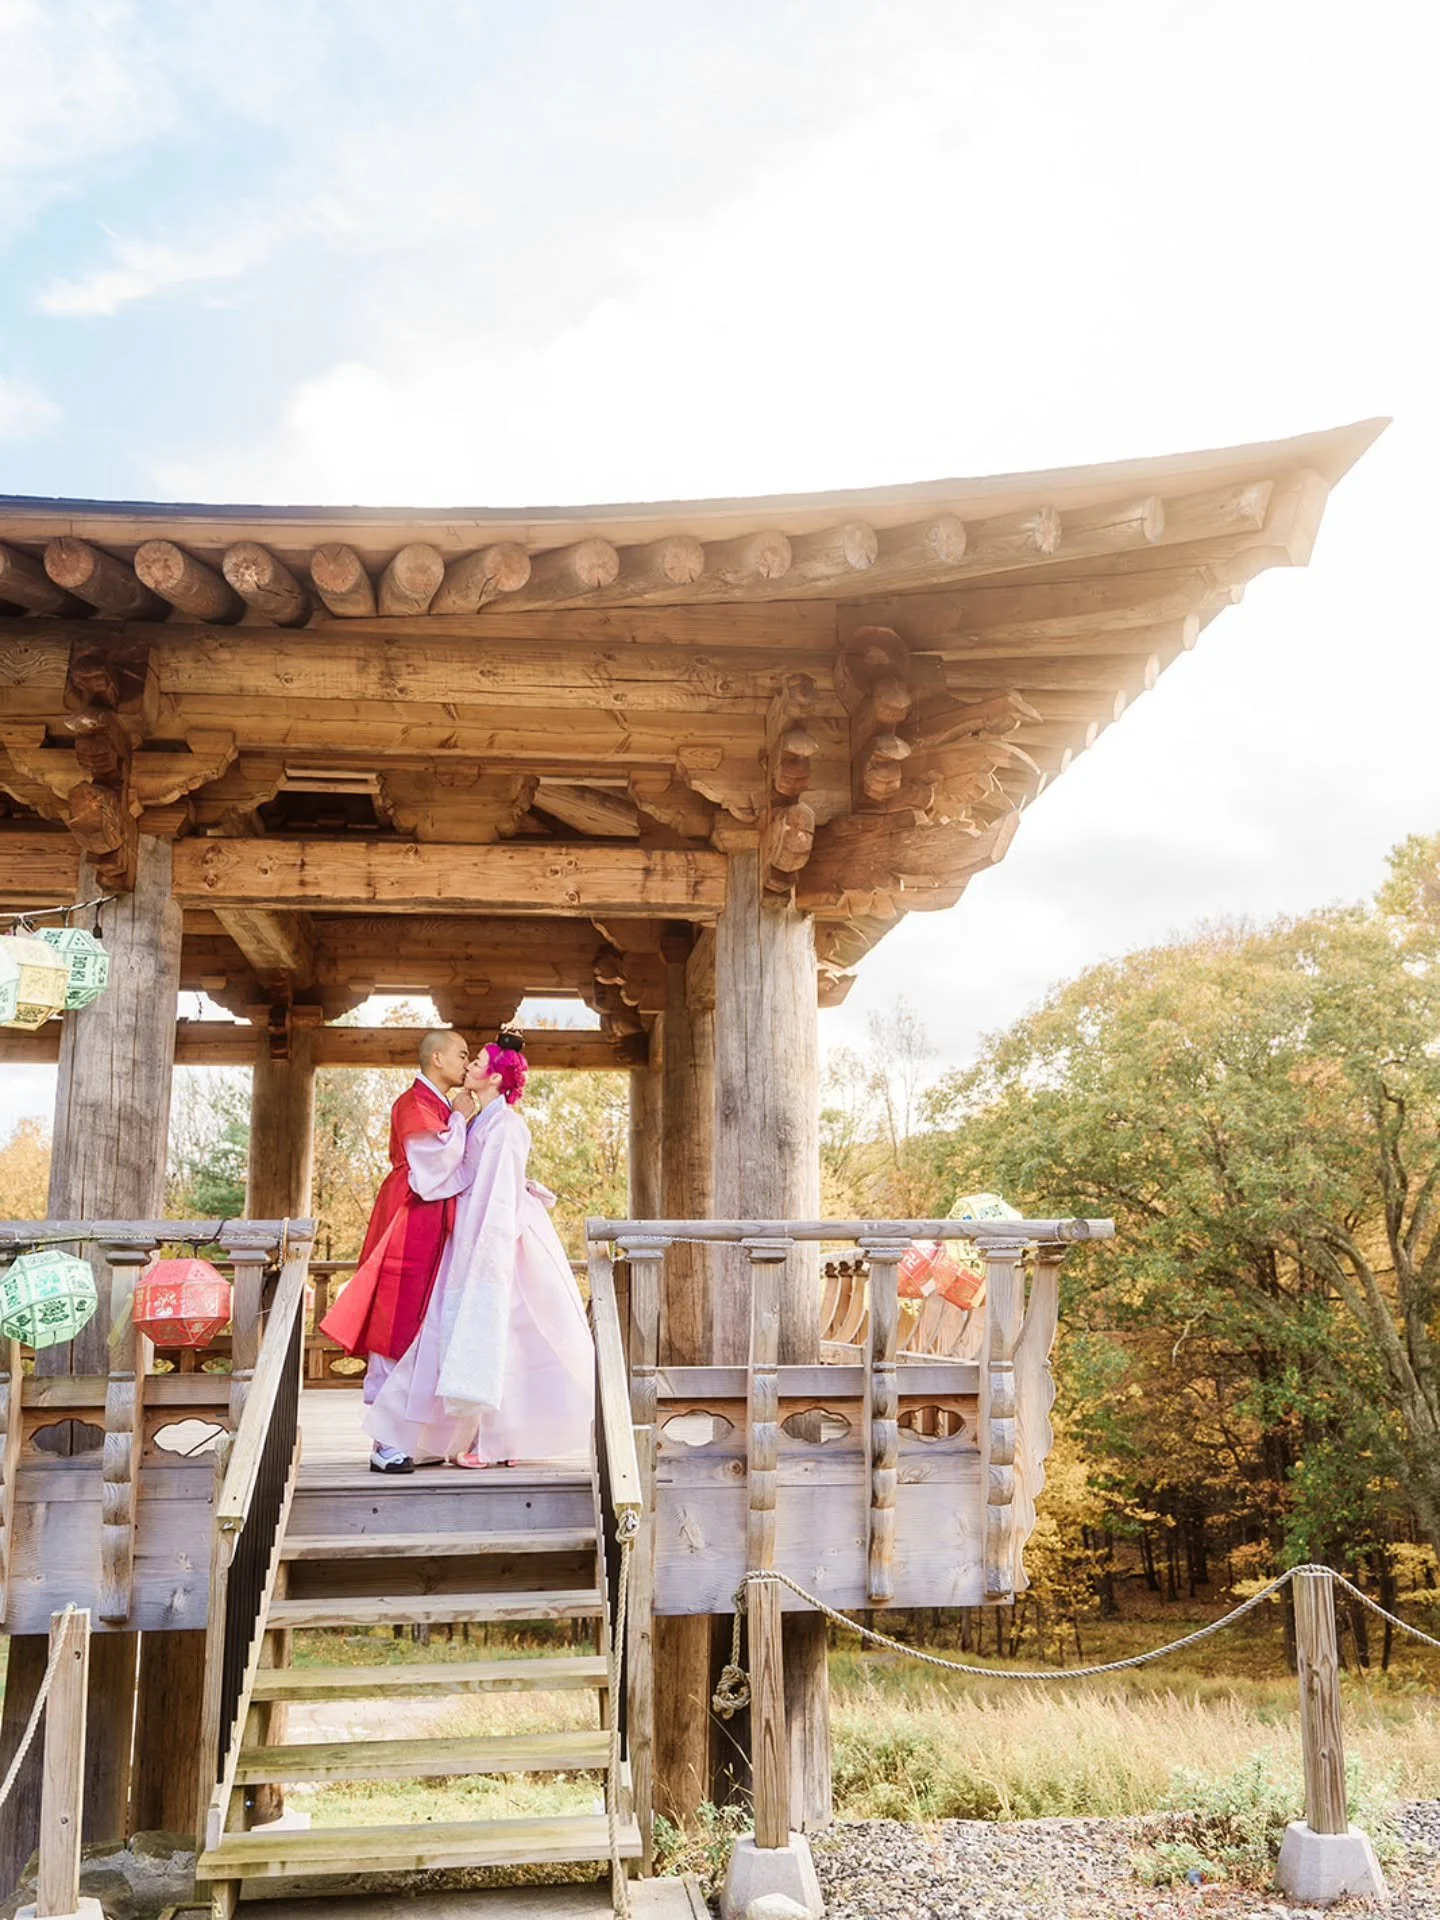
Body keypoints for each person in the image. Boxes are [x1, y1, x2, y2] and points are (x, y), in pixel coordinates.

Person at [364, 1035, 594, 1471]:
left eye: (477, 1061)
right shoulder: (470, 1118)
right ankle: (437, 1437)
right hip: (463, 1232)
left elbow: (496, 1193)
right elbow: (457, 1175)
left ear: (494, 1077)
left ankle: (496, 1441)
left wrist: (486, 1253)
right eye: (465, 1058)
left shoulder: (505, 1125)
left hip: (494, 1238)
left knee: (509, 1336)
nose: (469, 1066)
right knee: (456, 1335)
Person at [319, 1028, 471, 1474]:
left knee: (432, 1325)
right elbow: (433, 1166)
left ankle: (417, 1437)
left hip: (432, 1221)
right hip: (408, 1217)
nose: (466, 1063)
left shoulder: (436, 1104)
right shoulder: (415, 1104)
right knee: (396, 1324)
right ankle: (386, 1442)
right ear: (438, 1058)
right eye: (462, 1055)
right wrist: (461, 1120)